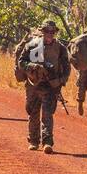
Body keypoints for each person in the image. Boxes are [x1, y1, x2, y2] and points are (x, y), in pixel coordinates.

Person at [14, 19, 70, 153]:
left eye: (52, 32)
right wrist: (32, 67)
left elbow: (67, 68)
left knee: (47, 114)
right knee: (33, 113)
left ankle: (47, 142)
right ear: (42, 32)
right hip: (33, 84)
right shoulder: (32, 45)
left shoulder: (60, 48)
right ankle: (33, 140)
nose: (49, 34)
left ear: (55, 32)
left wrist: (60, 81)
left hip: (50, 86)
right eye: (47, 31)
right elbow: (21, 62)